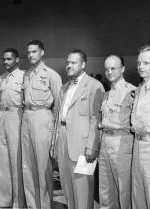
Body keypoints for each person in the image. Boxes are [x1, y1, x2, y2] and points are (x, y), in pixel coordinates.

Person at [52, 49, 104, 209]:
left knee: (83, 190)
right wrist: (54, 143)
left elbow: (96, 119)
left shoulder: (94, 85)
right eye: (67, 62)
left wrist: (92, 146)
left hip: (83, 146)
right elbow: (58, 117)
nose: (69, 65)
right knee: (67, 188)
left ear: (83, 64)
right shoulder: (64, 88)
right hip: (63, 140)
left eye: (73, 62)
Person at [21, 40, 62, 208]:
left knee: (43, 166)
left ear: (42, 52)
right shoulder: (26, 74)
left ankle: (45, 205)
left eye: (34, 52)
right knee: (27, 166)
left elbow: (58, 106)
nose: (31, 55)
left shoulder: (52, 75)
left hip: (42, 117)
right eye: (29, 52)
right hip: (26, 117)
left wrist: (53, 129)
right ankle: (32, 205)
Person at [99, 55, 136, 209]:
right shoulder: (107, 94)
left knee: (124, 190)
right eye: (107, 69)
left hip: (122, 143)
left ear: (123, 69)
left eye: (113, 68)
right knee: (105, 190)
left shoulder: (132, 92)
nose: (109, 72)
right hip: (105, 142)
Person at [0, 48, 25, 208]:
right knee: (2, 162)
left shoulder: (24, 76)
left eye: (9, 59)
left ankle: (17, 202)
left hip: (16, 117)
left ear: (17, 60)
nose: (6, 62)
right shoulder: (1, 78)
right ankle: (4, 201)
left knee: (16, 161)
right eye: (4, 59)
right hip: (2, 117)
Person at [131, 45, 150, 209]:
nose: (141, 67)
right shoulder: (140, 89)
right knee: (138, 194)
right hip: (138, 145)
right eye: (139, 63)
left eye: (146, 63)